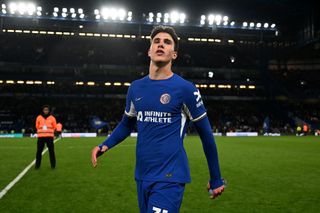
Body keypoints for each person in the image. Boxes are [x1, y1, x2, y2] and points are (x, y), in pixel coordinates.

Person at [91, 26, 225, 213]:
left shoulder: (185, 89)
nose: (161, 44)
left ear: (174, 54)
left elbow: (206, 135)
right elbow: (127, 123)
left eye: (167, 42)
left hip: (170, 176)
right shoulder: (135, 88)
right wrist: (104, 145)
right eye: (157, 41)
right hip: (142, 175)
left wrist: (216, 177)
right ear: (149, 51)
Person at [35, 105, 57, 169]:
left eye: (47, 110)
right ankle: (37, 166)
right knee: (39, 151)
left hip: (49, 137)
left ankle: (53, 166)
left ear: (49, 110)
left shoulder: (52, 118)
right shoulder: (39, 117)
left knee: (51, 151)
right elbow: (37, 126)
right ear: (43, 110)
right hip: (41, 137)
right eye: (45, 110)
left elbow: (54, 127)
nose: (46, 111)